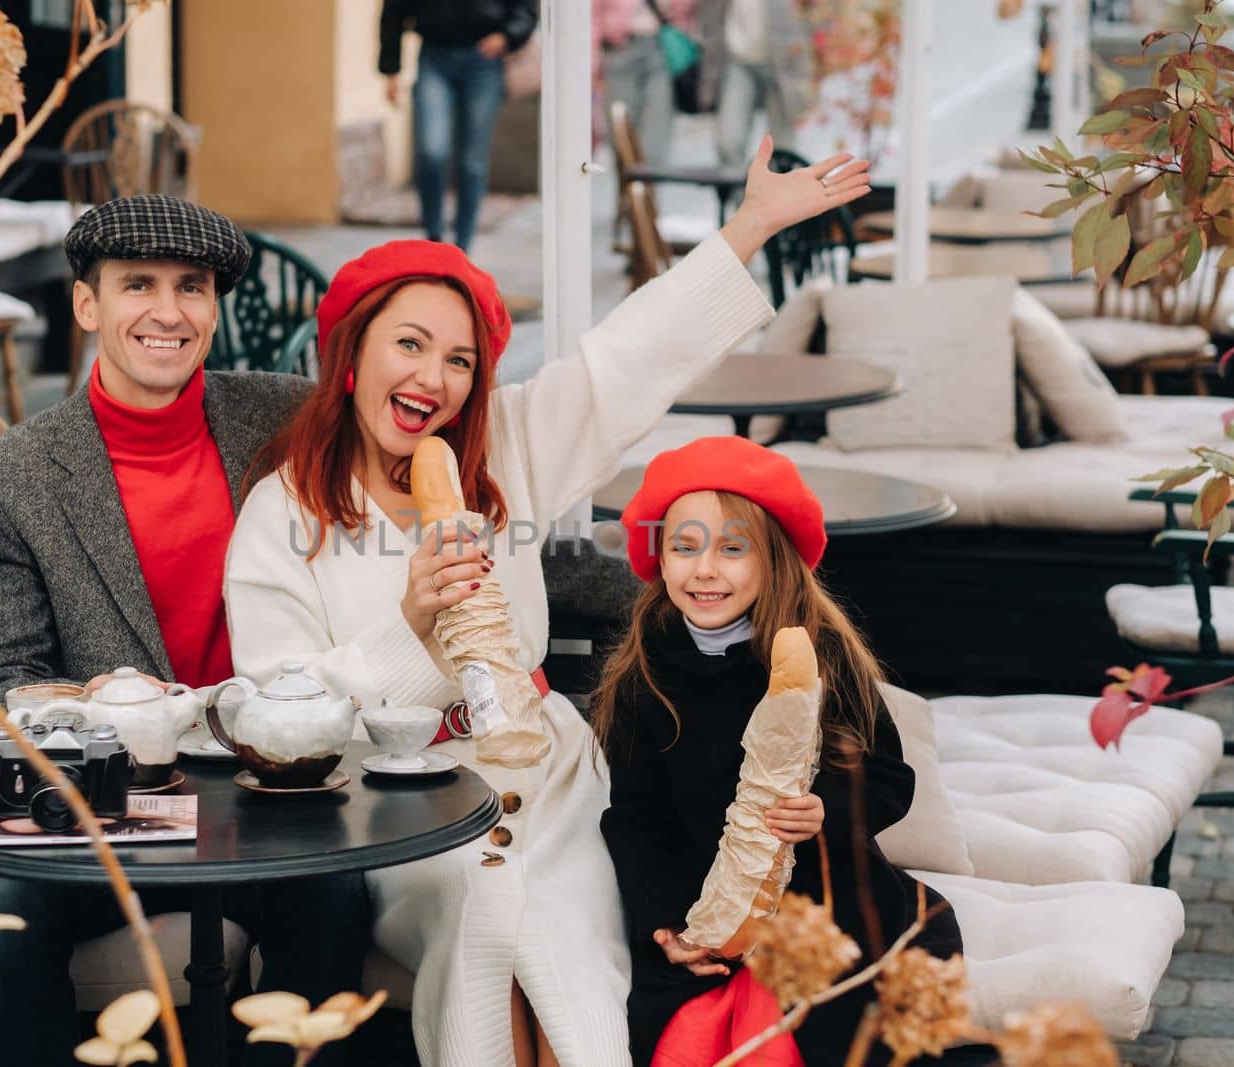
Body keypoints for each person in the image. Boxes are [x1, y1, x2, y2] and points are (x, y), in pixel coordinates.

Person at [222, 141, 868, 1066]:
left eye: (458, 360)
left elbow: (627, 362)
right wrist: (407, 628)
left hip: (550, 778)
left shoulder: (507, 452)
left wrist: (751, 224)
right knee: (487, 919)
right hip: (399, 808)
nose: (432, 380)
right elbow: (275, 714)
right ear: (351, 351)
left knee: (569, 951)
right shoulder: (285, 511)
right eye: (407, 344)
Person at [0, 195, 370, 1067]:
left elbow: (443, 480)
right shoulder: (5, 478)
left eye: (193, 287)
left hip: (265, 789)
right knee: (11, 916)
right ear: (88, 305)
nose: (169, 312)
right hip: (96, 806)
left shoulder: (285, 421)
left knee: (337, 900)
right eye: (139, 284)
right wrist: (84, 710)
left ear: (216, 308)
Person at [594, 436, 995, 1067]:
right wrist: (665, 922)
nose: (706, 569)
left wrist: (824, 811)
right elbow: (637, 818)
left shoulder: (822, 653)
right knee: (686, 1041)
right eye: (685, 546)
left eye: (733, 548)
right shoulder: (645, 674)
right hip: (709, 910)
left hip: (825, 907)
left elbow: (890, 777)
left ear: (773, 557)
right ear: (658, 557)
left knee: (806, 1039)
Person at [379, 0, 538, 251]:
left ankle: (463, 248)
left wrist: (508, 35)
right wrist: (391, 69)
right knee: (431, 151)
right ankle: (433, 238)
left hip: (484, 60)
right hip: (434, 57)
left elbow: (526, 7)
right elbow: (393, 9)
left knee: (471, 162)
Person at [698, 0, 817, 169]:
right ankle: (737, 194)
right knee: (729, 140)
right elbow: (711, 18)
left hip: (783, 63)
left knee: (781, 146)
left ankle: (779, 191)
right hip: (739, 59)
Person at [593, 0, 698, 166]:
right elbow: (593, 16)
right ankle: (626, 190)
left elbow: (687, 8)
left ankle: (651, 189)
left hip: (657, 49)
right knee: (622, 140)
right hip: (619, 51)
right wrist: (592, 65)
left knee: (655, 138)